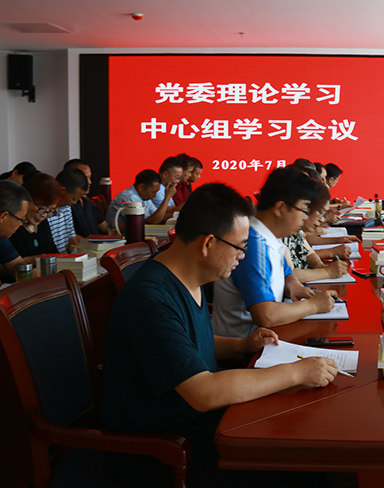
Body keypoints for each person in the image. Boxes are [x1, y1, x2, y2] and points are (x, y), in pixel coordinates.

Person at [101, 182, 338, 488]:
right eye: (240, 247)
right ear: (208, 244)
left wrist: (243, 345)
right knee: (292, 457)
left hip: (199, 423)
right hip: (164, 448)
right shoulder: (151, 299)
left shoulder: (189, 275)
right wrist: (296, 372)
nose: (243, 255)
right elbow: (203, 392)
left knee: (305, 447)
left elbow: (185, 347)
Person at [212, 168, 337, 339]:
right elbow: (266, 315)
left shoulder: (268, 236)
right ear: (280, 208)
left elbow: (286, 272)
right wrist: (314, 306)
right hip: (246, 347)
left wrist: (293, 284)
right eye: (304, 210)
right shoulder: (254, 244)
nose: (305, 218)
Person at [281, 178, 349, 283]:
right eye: (320, 213)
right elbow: (289, 275)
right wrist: (328, 272)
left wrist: (319, 265)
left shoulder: (295, 229)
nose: (322, 220)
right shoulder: (281, 232)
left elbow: (309, 253)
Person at [9, 173, 63, 259]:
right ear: (27, 199)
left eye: (50, 210)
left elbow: (52, 251)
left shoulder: (42, 223)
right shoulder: (12, 226)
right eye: (42, 208)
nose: (44, 215)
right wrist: (30, 260)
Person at [106, 169, 175, 232]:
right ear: (141, 187)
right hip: (119, 236)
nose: (154, 196)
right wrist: (167, 197)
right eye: (153, 192)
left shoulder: (143, 196)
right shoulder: (129, 198)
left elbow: (157, 215)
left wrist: (176, 215)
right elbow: (153, 221)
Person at [63, 159, 108, 236]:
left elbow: (105, 227)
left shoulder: (87, 203)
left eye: (90, 177)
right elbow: (68, 235)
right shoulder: (65, 205)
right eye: (85, 178)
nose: (90, 182)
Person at [47, 168, 88, 253]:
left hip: (67, 258)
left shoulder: (66, 208)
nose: (74, 202)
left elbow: (71, 239)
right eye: (74, 198)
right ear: (62, 191)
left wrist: (78, 256)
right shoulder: (46, 212)